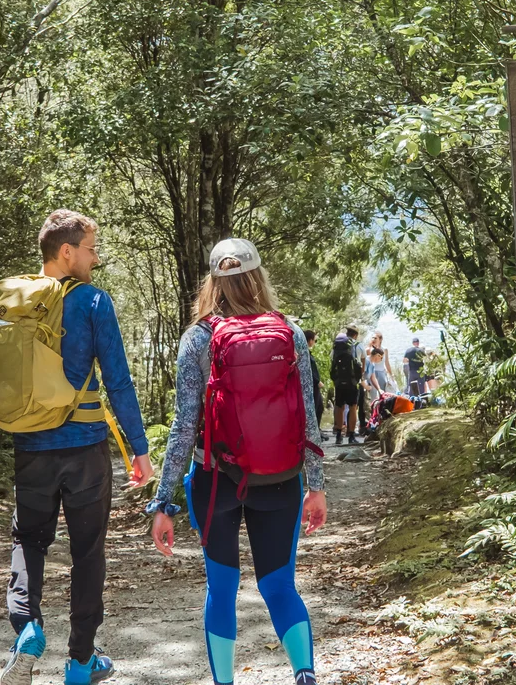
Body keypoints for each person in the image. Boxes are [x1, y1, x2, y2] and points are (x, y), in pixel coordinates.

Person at [147, 238, 328, 685]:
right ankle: (304, 674)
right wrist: (316, 486)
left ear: (212, 282)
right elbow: (308, 414)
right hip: (281, 480)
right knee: (279, 586)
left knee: (222, 590)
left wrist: (163, 501)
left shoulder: (198, 338)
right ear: (258, 277)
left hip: (214, 482)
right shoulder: (289, 331)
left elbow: (184, 426)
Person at [0, 210, 155, 685]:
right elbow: (118, 381)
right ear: (66, 252)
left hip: (30, 446)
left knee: (29, 541)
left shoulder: (15, 298)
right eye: (91, 248)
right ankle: (81, 661)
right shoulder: (92, 302)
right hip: (85, 449)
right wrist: (139, 448)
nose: (96, 257)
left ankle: (27, 629)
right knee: (88, 552)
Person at [329, 327, 363, 445]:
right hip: (352, 382)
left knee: (339, 407)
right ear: (355, 335)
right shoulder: (356, 345)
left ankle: (338, 435)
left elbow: (332, 362)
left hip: (339, 383)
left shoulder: (336, 347)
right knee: (353, 407)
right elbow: (359, 364)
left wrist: (336, 380)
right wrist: (358, 379)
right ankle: (351, 435)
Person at [302, 329, 326, 423]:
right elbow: (308, 370)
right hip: (312, 384)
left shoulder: (307, 352)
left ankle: (317, 430)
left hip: (314, 384)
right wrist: (317, 381)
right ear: (310, 340)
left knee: (319, 407)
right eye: (314, 340)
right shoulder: (305, 353)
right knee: (315, 407)